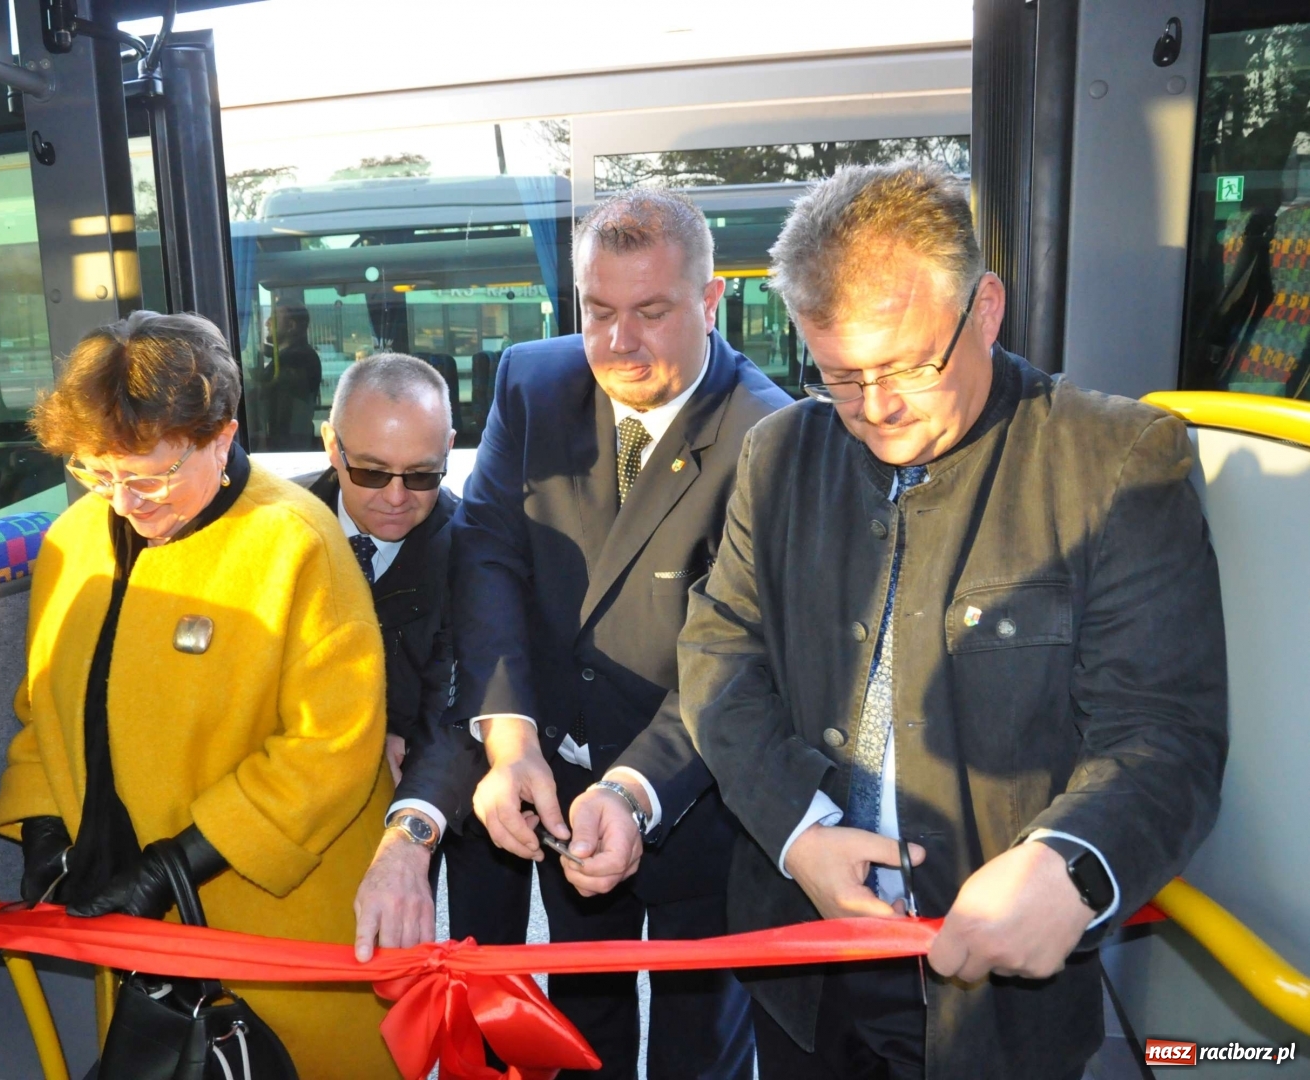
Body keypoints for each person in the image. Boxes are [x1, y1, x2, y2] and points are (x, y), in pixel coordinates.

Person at [679, 162, 1228, 1079]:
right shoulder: (779, 454)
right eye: (840, 376)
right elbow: (718, 653)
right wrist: (799, 831)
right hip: (802, 973)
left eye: (908, 366)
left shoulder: (1116, 461)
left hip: (994, 1005)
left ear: (987, 309)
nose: (876, 409)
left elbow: (1164, 733)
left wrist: (1070, 863)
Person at [0, 311, 401, 1079]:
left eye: (150, 476)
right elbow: (43, 708)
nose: (125, 502)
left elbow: (329, 749)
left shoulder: (294, 541)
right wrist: (45, 826)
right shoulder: (74, 539)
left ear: (221, 436)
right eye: (98, 473)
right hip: (141, 938)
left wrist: (177, 864)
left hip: (275, 926)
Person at [447, 189, 792, 1079]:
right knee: (579, 1033)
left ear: (710, 301)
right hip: (559, 784)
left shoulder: (772, 436)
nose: (618, 343)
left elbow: (739, 657)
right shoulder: (530, 382)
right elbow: (488, 555)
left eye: (651, 312)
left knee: (698, 1048)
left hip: (701, 804)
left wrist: (635, 792)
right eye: (598, 311)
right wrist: (510, 739)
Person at [292, 353, 484, 962]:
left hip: (440, 781)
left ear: (448, 450)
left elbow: (457, 695)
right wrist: (365, 739)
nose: (397, 498)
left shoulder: (475, 548)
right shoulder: (278, 530)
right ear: (332, 445)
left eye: (422, 475)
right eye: (371, 472)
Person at [258, 302, 324, 448]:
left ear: (291, 326)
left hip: (288, 444)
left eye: (274, 318)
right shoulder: (297, 355)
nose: (267, 323)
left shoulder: (297, 359)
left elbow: (264, 391)